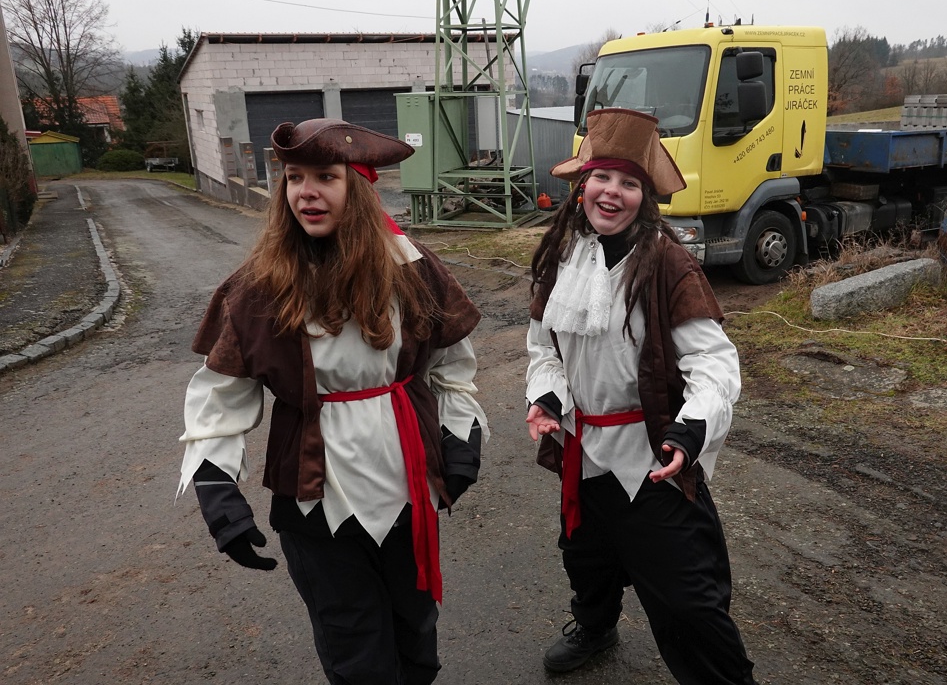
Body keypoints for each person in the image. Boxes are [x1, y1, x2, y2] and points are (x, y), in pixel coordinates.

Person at [176, 118, 487, 685]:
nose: (306, 192)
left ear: (359, 188)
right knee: (355, 651)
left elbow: (451, 365)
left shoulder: (411, 270)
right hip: (315, 500)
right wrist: (217, 488)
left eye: (325, 176)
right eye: (295, 177)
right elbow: (219, 399)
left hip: (408, 487)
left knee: (416, 633)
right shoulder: (259, 287)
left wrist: (461, 436)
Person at [525, 107, 757, 685]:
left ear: (645, 197)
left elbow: (714, 363)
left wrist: (691, 429)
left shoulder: (666, 262)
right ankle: (595, 626)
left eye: (629, 183)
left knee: (686, 599)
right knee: (586, 556)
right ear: (582, 186)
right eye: (602, 177)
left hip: (650, 456)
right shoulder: (563, 256)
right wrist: (547, 398)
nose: (612, 192)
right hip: (583, 452)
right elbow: (544, 350)